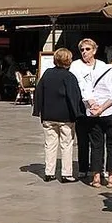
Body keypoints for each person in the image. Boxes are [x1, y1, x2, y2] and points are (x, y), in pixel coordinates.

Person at [33, 48, 84, 183]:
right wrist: (78, 113)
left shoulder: (47, 74)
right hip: (66, 116)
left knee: (50, 144)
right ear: (68, 60)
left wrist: (38, 110)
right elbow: (74, 96)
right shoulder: (69, 76)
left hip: (48, 115)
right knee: (66, 144)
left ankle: (49, 172)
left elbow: (39, 92)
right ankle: (66, 173)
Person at [70, 38, 109, 184]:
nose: (84, 52)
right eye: (82, 50)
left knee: (98, 140)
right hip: (82, 106)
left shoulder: (102, 65)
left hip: (99, 107)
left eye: (87, 49)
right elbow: (80, 83)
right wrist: (89, 101)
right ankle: (83, 167)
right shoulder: (76, 65)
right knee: (83, 138)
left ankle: (99, 168)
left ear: (94, 50)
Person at [88, 50, 112, 189]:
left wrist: (95, 107)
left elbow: (87, 91)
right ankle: (111, 179)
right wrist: (103, 108)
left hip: (94, 113)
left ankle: (96, 178)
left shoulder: (96, 70)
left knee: (96, 145)